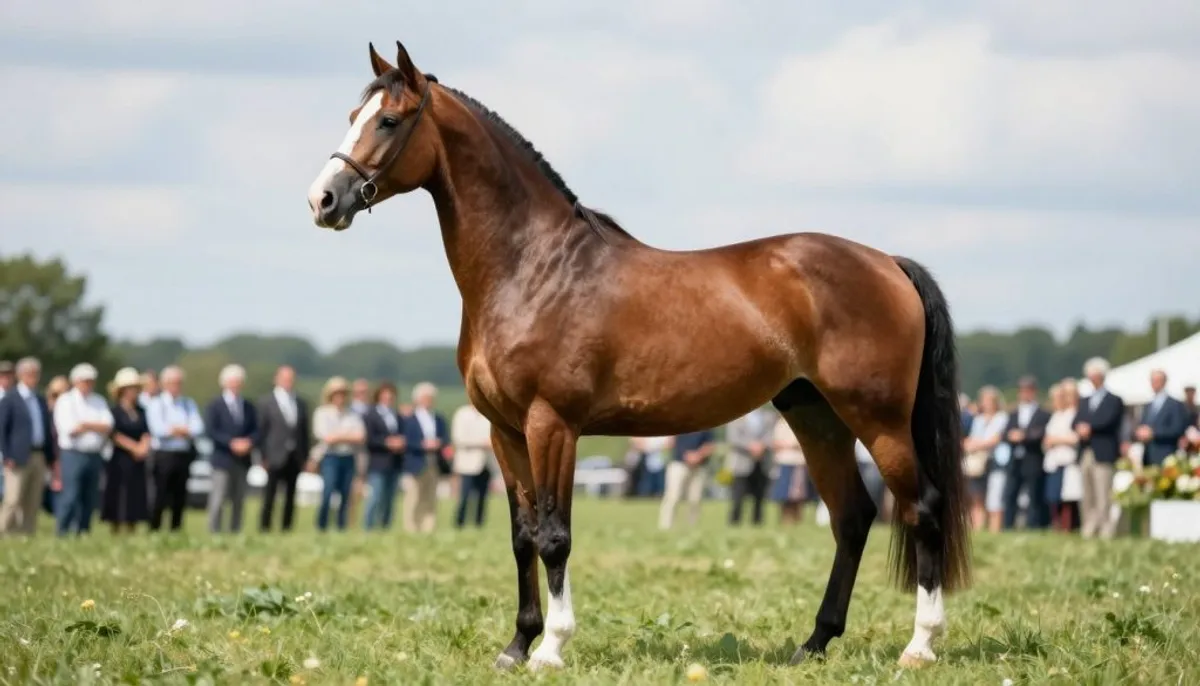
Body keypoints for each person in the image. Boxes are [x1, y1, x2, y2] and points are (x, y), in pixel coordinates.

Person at [51, 363, 114, 536]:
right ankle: (63, 530)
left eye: (91, 381)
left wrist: (86, 425)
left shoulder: (98, 400)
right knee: (71, 495)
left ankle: (83, 530)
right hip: (73, 454)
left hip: (94, 453)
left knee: (89, 496)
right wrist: (94, 426)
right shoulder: (66, 401)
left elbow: (108, 425)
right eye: (85, 381)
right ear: (76, 381)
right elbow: (70, 429)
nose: (88, 384)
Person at [0, 357, 57, 535]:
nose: (33, 377)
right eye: (29, 373)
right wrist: (6, 455)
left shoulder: (39, 399)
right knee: (13, 498)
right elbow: (2, 429)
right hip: (17, 456)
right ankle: (3, 530)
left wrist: (50, 457)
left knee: (32, 500)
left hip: (38, 454)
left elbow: (47, 429)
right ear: (20, 375)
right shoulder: (10, 398)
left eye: (36, 374)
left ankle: (26, 533)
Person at [145, 365, 204, 532]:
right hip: (163, 454)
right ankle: (155, 527)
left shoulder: (188, 403)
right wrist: (182, 430)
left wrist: (176, 430)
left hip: (182, 453)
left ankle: (175, 528)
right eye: (172, 383)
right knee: (160, 494)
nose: (176, 386)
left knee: (180, 495)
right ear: (164, 384)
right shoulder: (157, 403)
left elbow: (198, 427)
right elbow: (158, 430)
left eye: (178, 383)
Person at [1074, 357, 1125, 539]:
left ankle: (1105, 529)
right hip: (1086, 451)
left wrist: (1090, 427)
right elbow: (1076, 420)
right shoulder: (1084, 401)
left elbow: (1109, 421)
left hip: (1104, 452)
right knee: (1087, 492)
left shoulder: (1114, 400)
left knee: (1103, 493)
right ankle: (1088, 527)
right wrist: (1080, 427)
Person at [204, 364, 259, 534]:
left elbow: (256, 430)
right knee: (218, 498)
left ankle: (235, 530)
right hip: (222, 458)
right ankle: (214, 531)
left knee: (239, 499)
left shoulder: (248, 406)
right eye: (232, 381)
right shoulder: (215, 405)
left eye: (238, 381)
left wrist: (249, 442)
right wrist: (231, 443)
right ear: (224, 383)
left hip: (242, 460)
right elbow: (211, 430)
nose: (235, 384)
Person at [256, 365, 310, 532]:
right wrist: (262, 456)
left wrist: (305, 456)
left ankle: (287, 527)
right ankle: (265, 527)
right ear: (276, 379)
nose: (288, 382)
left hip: (295, 455)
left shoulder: (300, 403)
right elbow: (261, 431)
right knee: (270, 494)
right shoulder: (266, 402)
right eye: (285, 378)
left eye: (291, 378)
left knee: (291, 494)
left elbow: (304, 432)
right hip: (274, 454)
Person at [311, 376, 365, 532]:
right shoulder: (322, 413)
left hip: (348, 457)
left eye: (343, 393)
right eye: (337, 393)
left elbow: (360, 436)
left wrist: (338, 436)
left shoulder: (352, 414)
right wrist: (347, 435)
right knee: (328, 492)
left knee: (345, 494)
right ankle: (322, 526)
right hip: (330, 457)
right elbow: (326, 437)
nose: (340, 397)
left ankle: (341, 527)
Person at [102, 367, 151, 533]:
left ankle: (132, 526)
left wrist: (143, 447)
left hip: (137, 460)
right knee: (118, 493)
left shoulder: (141, 411)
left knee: (135, 493)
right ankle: (115, 527)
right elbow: (113, 434)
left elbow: (146, 432)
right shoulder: (114, 411)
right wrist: (134, 447)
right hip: (120, 458)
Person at [1001, 376, 1052, 530]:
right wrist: (1011, 436)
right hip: (1015, 459)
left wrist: (1024, 436)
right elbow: (1004, 433)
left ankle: (1033, 525)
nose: (1024, 394)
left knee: (1034, 494)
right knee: (1010, 493)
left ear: (1034, 391)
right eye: (1022, 390)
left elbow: (1041, 433)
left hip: (1033, 458)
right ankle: (1008, 525)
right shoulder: (1013, 413)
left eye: (1028, 390)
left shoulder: (1043, 413)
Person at [402, 382, 450, 534]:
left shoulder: (439, 419)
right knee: (414, 497)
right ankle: (411, 528)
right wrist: (422, 445)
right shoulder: (409, 419)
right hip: (416, 462)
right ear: (418, 399)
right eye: (425, 397)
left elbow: (445, 438)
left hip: (434, 462)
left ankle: (428, 528)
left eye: (431, 398)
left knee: (431, 497)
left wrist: (439, 443)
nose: (429, 400)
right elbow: (406, 441)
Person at [962, 386, 1009, 532]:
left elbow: (995, 439)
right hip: (979, 463)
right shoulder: (978, 419)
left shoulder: (1002, 418)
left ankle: (994, 529)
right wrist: (970, 444)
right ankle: (978, 527)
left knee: (995, 498)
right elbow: (972, 437)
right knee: (977, 496)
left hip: (996, 461)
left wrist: (976, 444)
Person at [363, 382, 406, 530]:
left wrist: (400, 441)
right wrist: (386, 442)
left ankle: (385, 527)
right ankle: (368, 527)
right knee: (375, 497)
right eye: (385, 394)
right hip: (378, 462)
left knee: (390, 499)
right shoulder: (371, 414)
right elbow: (369, 438)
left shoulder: (396, 415)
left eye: (391, 394)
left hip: (394, 462)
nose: (389, 397)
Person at [1042, 381, 1081, 532]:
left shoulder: (1074, 414)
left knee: (1068, 497)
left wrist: (1055, 440)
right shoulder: (1057, 415)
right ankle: (1057, 524)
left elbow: (1074, 438)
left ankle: (1068, 526)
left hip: (1067, 460)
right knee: (1054, 496)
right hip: (1054, 460)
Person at [658, 429, 715, 530]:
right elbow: (669, 442)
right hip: (678, 464)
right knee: (673, 497)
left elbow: (710, 445)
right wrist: (686, 455)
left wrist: (698, 455)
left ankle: (692, 528)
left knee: (695, 499)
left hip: (699, 466)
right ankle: (666, 527)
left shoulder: (706, 425)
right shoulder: (677, 423)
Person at [726, 406, 774, 526]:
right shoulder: (736, 416)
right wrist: (750, 446)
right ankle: (734, 522)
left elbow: (771, 435)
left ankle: (757, 522)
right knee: (737, 496)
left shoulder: (769, 417)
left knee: (760, 497)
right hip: (741, 464)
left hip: (762, 463)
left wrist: (762, 446)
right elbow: (733, 438)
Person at [450, 401, 494, 529]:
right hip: (467, 463)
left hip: (486, 462)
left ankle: (478, 523)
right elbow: (458, 438)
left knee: (482, 497)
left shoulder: (488, 413)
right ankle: (460, 522)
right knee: (464, 496)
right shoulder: (462, 414)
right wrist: (483, 443)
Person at [1134, 369, 1189, 467]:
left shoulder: (1175, 404)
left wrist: (1154, 433)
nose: (1153, 383)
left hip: (1166, 455)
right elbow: (1143, 424)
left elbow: (1178, 429)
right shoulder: (1148, 405)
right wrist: (1140, 432)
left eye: (1157, 380)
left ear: (1164, 382)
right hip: (1148, 457)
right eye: (1152, 380)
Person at [770, 418, 807, 525]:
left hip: (798, 462)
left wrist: (791, 445)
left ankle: (797, 519)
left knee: (797, 494)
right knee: (783, 493)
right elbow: (775, 443)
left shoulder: (801, 423)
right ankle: (785, 519)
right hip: (784, 461)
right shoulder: (780, 424)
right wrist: (791, 445)